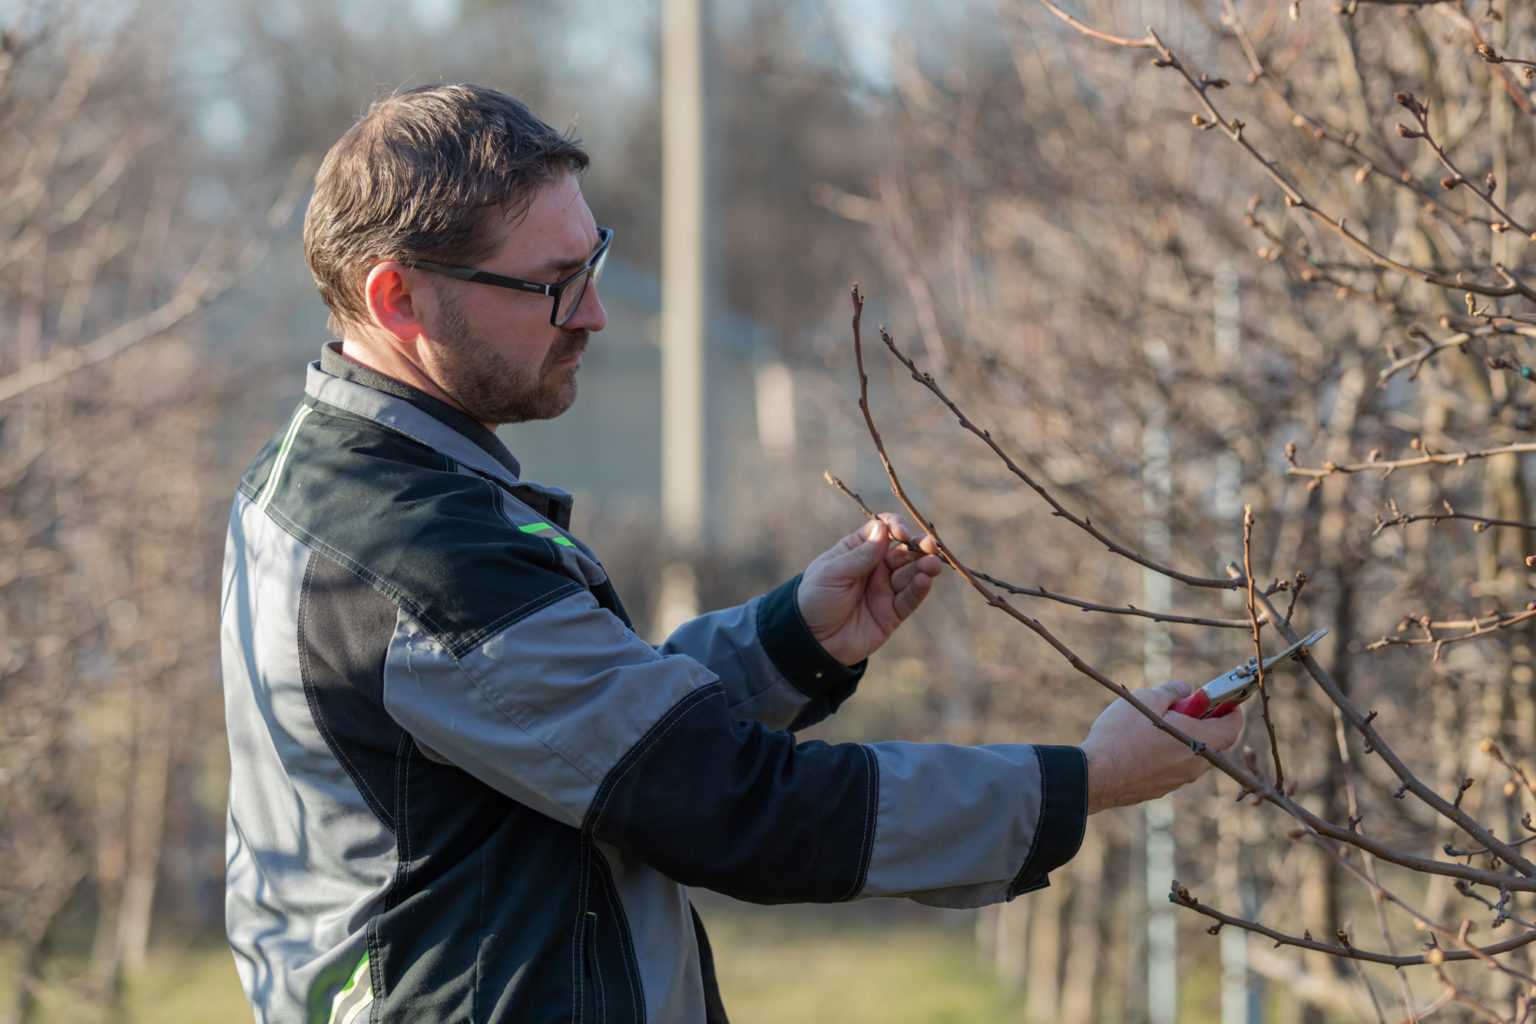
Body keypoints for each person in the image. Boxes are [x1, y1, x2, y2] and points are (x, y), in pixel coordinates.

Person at [219, 83, 1243, 1024]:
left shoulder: (329, 483)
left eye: (595, 261)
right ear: (398, 298)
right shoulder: (416, 557)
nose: (593, 311)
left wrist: (788, 642)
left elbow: (578, 738)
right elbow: (728, 804)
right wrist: (1081, 782)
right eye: (550, 283)